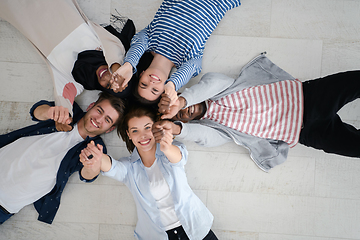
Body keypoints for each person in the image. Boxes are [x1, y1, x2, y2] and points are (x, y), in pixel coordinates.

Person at [154, 53, 360, 172]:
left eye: (178, 108)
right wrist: (176, 128)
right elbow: (204, 138)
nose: (184, 111)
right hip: (306, 133)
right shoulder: (218, 130)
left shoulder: (217, 87)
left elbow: (212, 84)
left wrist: (181, 101)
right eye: (181, 115)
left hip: (309, 97)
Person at [79, 106, 217, 239]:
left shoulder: (170, 151)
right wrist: (97, 156)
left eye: (147, 128)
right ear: (129, 135)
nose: (143, 136)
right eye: (135, 131)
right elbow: (112, 167)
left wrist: (166, 147)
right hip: (160, 236)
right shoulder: (129, 168)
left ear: (156, 127)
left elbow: (178, 159)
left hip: (196, 228)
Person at [0, 92, 125, 225]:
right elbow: (36, 111)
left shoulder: (96, 148)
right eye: (99, 111)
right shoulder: (68, 109)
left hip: (5, 207)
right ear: (91, 106)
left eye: (107, 120)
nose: (99, 119)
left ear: (109, 129)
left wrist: (91, 166)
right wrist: (50, 112)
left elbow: (88, 176)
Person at [0, 0, 129, 117]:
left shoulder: (76, 81)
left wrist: (64, 117)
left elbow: (64, 101)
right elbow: (115, 51)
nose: (107, 78)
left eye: (107, 85)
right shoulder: (106, 48)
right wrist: (117, 69)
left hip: (21, 12)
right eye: (114, 78)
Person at [111, 0, 241, 105]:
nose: (151, 83)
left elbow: (137, 45)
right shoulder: (189, 59)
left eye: (144, 84)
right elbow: (192, 68)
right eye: (155, 90)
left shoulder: (149, 40)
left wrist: (128, 65)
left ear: (142, 74)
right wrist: (172, 85)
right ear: (163, 90)